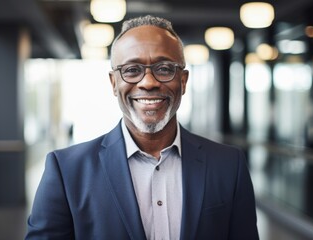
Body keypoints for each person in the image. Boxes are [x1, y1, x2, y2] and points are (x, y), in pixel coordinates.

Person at [26, 15, 259, 240]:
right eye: (131, 70)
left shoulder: (229, 165)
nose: (148, 82)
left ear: (184, 81)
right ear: (114, 83)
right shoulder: (66, 171)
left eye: (165, 68)